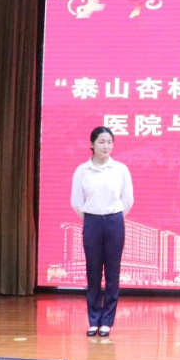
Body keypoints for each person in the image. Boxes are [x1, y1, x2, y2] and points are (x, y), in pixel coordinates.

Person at [71, 126, 134, 338]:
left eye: (109, 142)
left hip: (115, 221)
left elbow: (127, 200)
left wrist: (113, 217)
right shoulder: (82, 170)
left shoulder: (120, 169)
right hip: (92, 221)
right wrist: (93, 219)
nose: (106, 146)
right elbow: (76, 201)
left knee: (113, 273)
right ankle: (93, 320)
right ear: (92, 144)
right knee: (93, 272)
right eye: (101, 142)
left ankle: (107, 321)